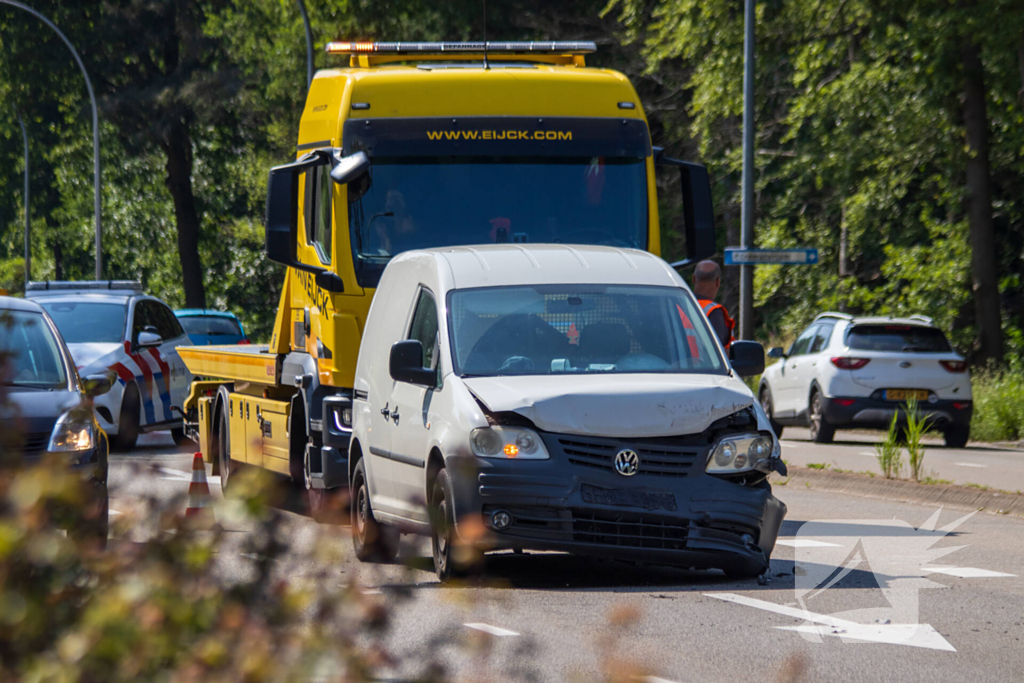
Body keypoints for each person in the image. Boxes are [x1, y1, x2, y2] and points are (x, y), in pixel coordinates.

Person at [693, 260, 735, 350]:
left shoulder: (676, 306)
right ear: (717, 281)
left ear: (693, 279)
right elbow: (720, 352)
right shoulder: (714, 313)